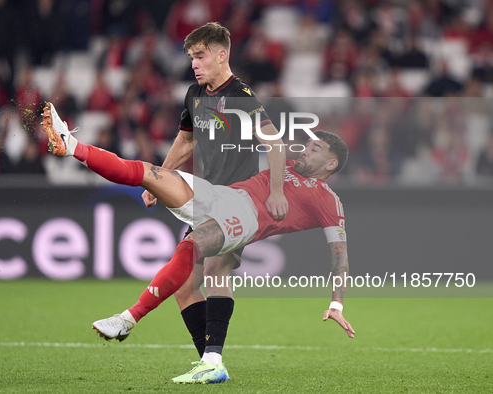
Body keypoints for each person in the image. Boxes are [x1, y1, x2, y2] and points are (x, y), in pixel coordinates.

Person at [42, 102, 355, 383]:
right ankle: (72, 146)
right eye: (308, 144)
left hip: (246, 219)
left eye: (315, 150)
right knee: (149, 175)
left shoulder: (328, 200)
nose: (305, 150)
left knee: (191, 249)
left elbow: (339, 255)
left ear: (330, 165)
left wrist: (336, 302)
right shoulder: (284, 165)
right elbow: (259, 144)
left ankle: (128, 319)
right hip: (223, 195)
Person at [139, 21, 289, 381]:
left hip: (238, 199)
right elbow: (186, 142)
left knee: (215, 269)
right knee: (184, 286)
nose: (194, 63)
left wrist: (277, 191)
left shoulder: (242, 96)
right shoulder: (195, 94)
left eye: (201, 56)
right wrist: (157, 178)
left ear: (222, 55)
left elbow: (275, 143)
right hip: (205, 201)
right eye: (191, 57)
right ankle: (210, 361)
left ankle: (213, 361)